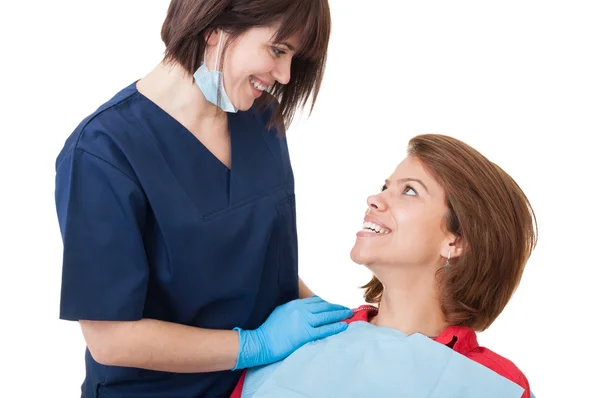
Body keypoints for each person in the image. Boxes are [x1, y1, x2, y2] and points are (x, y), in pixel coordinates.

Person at [53, 0, 353, 397]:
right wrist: (254, 345)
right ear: (213, 27)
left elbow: (259, 259)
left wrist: (339, 328)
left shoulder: (261, 117)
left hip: (262, 384)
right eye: (278, 51)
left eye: (293, 58)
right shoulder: (103, 152)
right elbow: (110, 339)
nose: (284, 75)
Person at [231, 134, 537, 398]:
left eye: (409, 191)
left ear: (456, 242)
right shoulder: (299, 335)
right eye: (385, 186)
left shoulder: (496, 386)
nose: (374, 199)